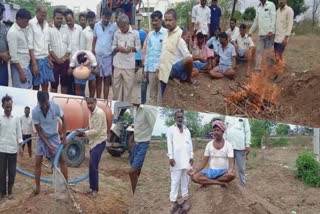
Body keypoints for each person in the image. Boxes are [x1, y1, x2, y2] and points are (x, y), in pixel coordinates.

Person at [31, 91, 68, 195]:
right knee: (38, 162)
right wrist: (48, 145)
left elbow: (64, 119)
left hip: (54, 136)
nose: (46, 105)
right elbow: (39, 131)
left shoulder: (55, 106)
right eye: (44, 104)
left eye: (47, 102)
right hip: (41, 137)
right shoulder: (35, 111)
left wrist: (64, 138)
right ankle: (37, 188)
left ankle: (66, 186)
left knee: (62, 160)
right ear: (39, 102)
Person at [76, 97, 108, 198]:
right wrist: (85, 130)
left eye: (91, 103)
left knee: (93, 165)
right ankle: (92, 188)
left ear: (95, 102)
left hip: (99, 142)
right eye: (87, 103)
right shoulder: (91, 112)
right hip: (93, 142)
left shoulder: (99, 113)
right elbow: (92, 128)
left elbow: (97, 131)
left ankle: (95, 190)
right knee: (91, 166)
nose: (89, 106)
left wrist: (84, 132)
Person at [188, 120, 235, 186]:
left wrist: (230, 170)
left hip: (223, 172)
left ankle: (208, 181)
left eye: (218, 130)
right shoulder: (209, 145)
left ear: (223, 131)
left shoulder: (228, 145)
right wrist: (195, 171)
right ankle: (219, 182)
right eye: (214, 130)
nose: (216, 132)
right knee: (194, 177)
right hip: (211, 172)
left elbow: (231, 162)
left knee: (232, 175)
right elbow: (203, 162)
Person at [167, 110, 193, 213]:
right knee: (175, 181)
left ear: (183, 118)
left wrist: (191, 156)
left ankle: (185, 200)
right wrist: (170, 157)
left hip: (186, 160)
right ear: (175, 118)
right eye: (178, 117)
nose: (180, 119)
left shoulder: (187, 130)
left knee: (185, 180)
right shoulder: (170, 129)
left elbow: (190, 144)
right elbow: (169, 144)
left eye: (181, 117)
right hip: (176, 161)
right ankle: (173, 202)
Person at [129, 104, 158, 194]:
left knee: (132, 172)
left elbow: (154, 125)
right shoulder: (134, 108)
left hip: (145, 143)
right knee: (137, 171)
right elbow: (137, 126)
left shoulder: (148, 108)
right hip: (137, 144)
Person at [112, 14, 140, 103]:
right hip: (117, 65)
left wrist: (131, 49)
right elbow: (113, 47)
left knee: (128, 90)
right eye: (120, 27)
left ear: (128, 24)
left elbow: (138, 47)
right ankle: (116, 106)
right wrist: (118, 49)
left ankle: (125, 108)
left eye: (123, 27)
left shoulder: (135, 34)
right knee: (116, 89)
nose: (122, 29)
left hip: (129, 66)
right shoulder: (117, 33)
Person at [0, 95, 23, 201]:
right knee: (1, 172)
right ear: (2, 106)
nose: (8, 109)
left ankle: (10, 191)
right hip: (1, 150)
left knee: (12, 172)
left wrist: (21, 146)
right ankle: (2, 192)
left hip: (13, 150)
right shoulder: (0, 119)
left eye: (10, 107)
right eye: (6, 107)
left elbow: (19, 134)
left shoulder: (16, 118)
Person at [28, 4, 55, 91]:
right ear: (36, 13)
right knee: (36, 84)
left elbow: (47, 43)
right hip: (36, 59)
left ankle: (44, 103)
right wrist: (34, 63)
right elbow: (30, 46)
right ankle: (36, 102)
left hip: (46, 59)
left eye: (45, 15)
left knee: (46, 84)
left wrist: (49, 59)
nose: (43, 17)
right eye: (41, 15)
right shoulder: (31, 24)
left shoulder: (46, 24)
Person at [142, 11, 167, 106]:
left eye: (156, 20)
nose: (154, 23)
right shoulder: (150, 35)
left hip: (161, 70)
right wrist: (145, 69)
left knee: (160, 96)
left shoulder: (166, 34)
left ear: (161, 20)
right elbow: (148, 53)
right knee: (151, 95)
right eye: (153, 21)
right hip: (151, 70)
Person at [92, 7, 118, 99]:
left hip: (108, 57)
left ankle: (105, 101)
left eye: (108, 18)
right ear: (101, 16)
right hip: (98, 57)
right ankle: (98, 99)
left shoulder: (114, 26)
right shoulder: (96, 26)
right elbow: (94, 39)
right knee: (98, 80)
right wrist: (93, 53)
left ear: (110, 17)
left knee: (107, 81)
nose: (106, 20)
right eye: (105, 17)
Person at [158, 9, 183, 98]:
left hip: (172, 73)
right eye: (166, 20)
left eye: (170, 20)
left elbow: (187, 57)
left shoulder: (180, 35)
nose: (167, 22)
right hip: (163, 73)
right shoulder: (165, 33)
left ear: (176, 20)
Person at [7, 8, 33, 89]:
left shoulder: (23, 29)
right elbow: (13, 56)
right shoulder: (13, 32)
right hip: (19, 68)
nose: (27, 24)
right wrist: (21, 73)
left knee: (27, 90)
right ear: (18, 19)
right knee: (20, 92)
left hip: (25, 66)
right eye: (25, 21)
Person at [49, 8, 72, 95]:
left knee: (64, 84)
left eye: (61, 18)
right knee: (54, 84)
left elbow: (70, 45)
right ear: (54, 18)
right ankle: (53, 101)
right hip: (54, 62)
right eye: (57, 18)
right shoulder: (49, 29)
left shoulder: (66, 29)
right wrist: (57, 59)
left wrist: (65, 57)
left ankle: (63, 102)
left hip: (65, 62)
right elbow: (49, 46)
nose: (59, 20)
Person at [249, 0, 276, 71]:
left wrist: (271, 31)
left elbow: (273, 19)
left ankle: (266, 70)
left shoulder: (271, 5)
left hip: (269, 34)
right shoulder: (258, 7)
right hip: (261, 34)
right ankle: (257, 69)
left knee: (267, 53)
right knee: (259, 51)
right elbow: (256, 21)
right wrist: (250, 31)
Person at [224, 116, 251, 187]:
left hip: (240, 147)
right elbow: (225, 131)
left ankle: (243, 186)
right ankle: (228, 185)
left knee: (241, 168)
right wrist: (224, 144)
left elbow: (247, 131)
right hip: (229, 146)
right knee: (229, 168)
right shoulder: (227, 116)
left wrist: (247, 144)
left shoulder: (244, 117)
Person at [65, 9, 82, 95]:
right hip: (66, 62)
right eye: (67, 21)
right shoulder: (63, 29)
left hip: (77, 62)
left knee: (77, 86)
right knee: (68, 85)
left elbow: (81, 47)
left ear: (74, 18)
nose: (69, 22)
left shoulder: (79, 29)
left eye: (70, 20)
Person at [80, 11, 97, 97]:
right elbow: (82, 48)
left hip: (96, 60)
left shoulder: (99, 29)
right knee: (83, 83)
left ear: (95, 19)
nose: (91, 22)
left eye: (92, 20)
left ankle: (92, 99)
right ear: (87, 21)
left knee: (93, 83)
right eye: (89, 21)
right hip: (87, 61)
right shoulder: (84, 32)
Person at [0, 3, 10, 87]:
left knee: (3, 87)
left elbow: (6, 42)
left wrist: (7, 52)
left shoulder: (3, 26)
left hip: (3, 64)